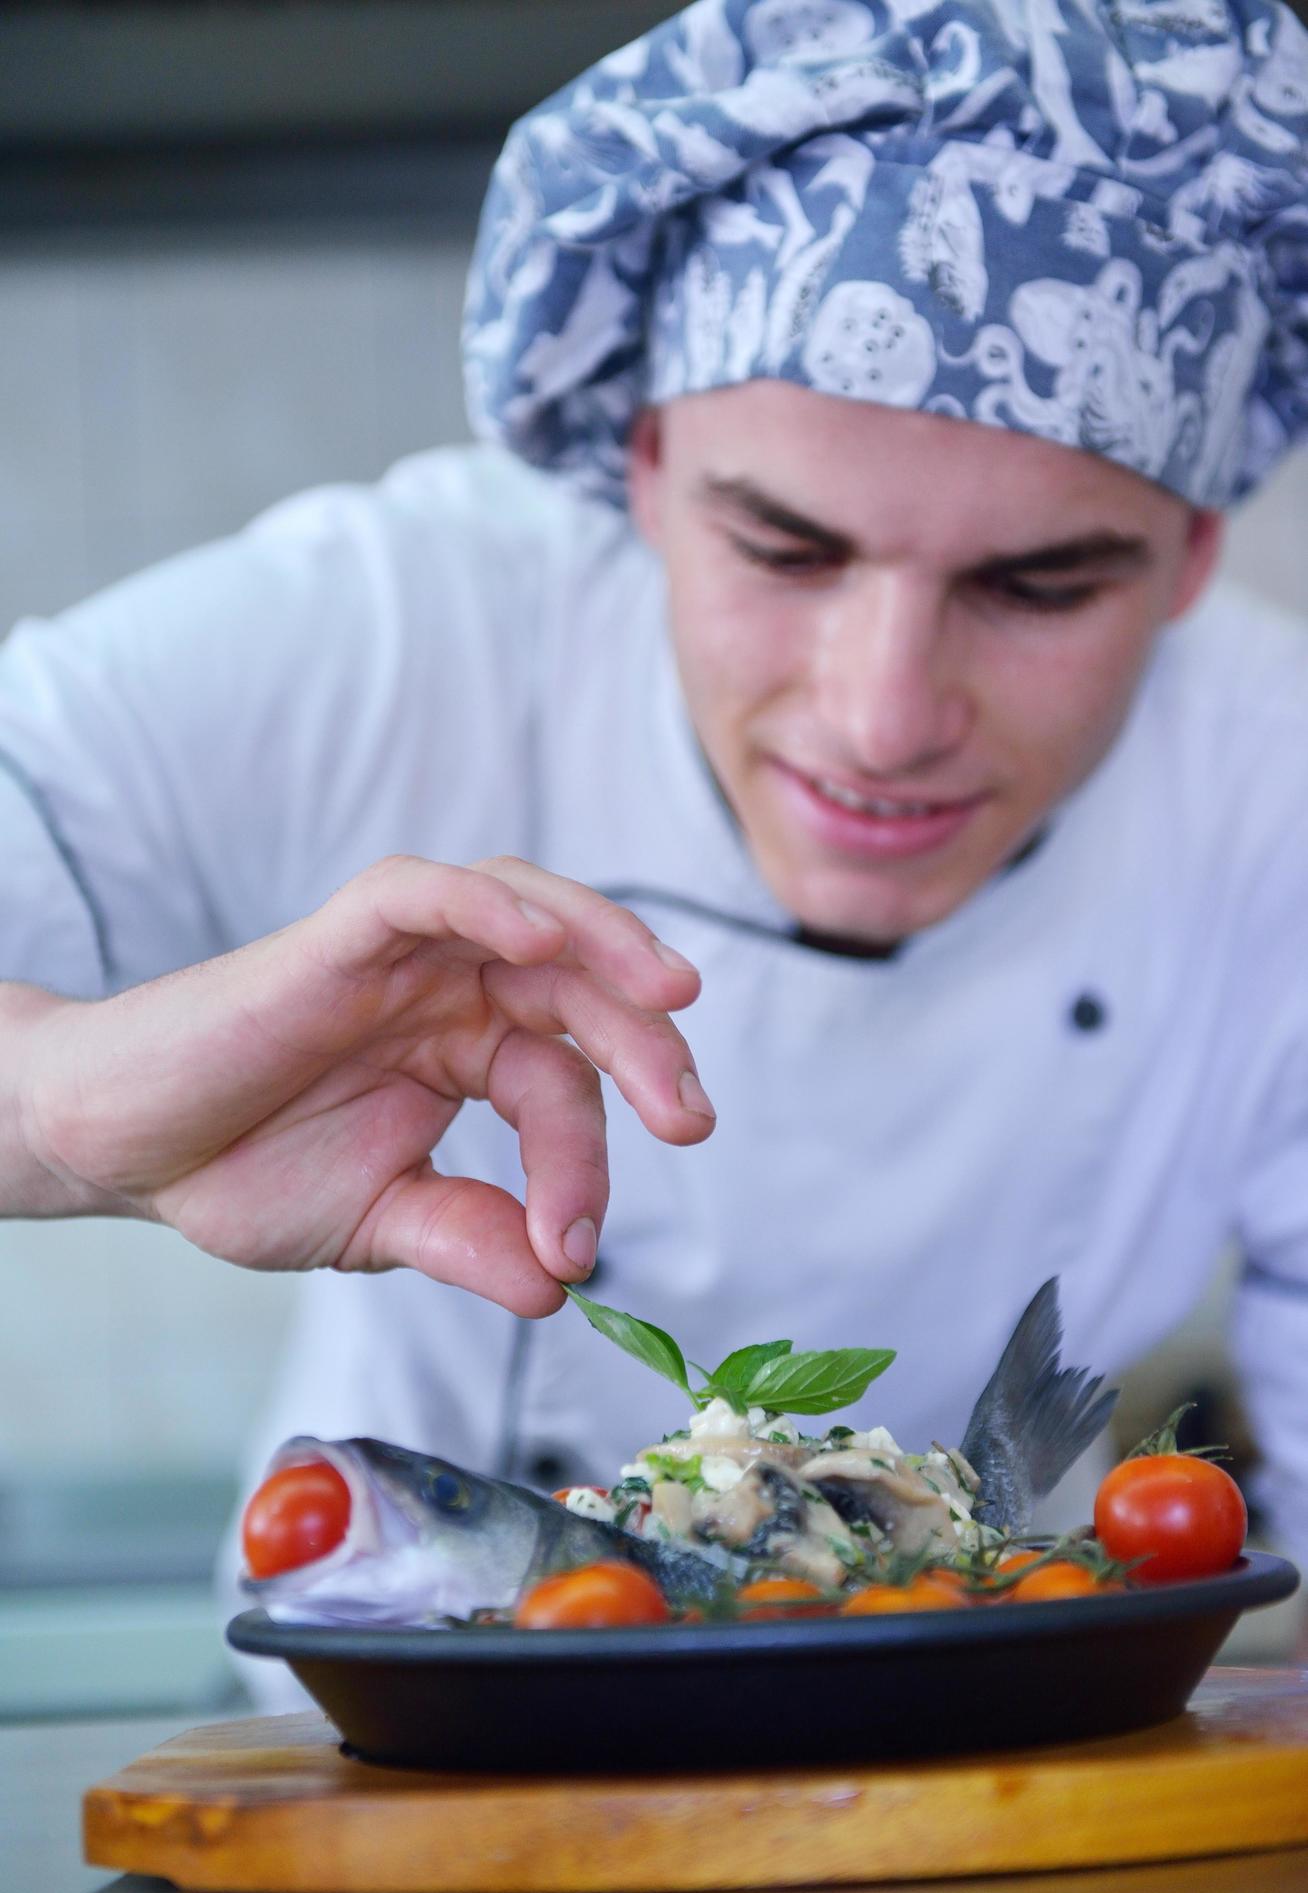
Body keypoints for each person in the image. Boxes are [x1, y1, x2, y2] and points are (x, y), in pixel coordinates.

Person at [1, 0, 1306, 1695]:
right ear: (641, 465)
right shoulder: (407, 628)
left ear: (1196, 557)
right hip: (397, 1777)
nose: (884, 715)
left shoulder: (1277, 792)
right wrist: (56, 1110)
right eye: (781, 547)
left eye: (1039, 585)